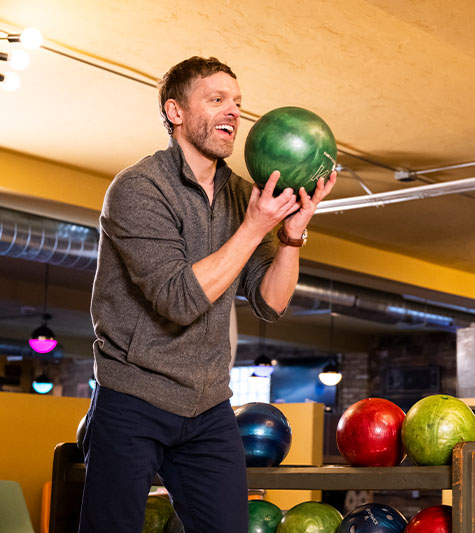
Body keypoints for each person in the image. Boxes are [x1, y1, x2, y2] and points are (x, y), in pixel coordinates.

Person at [79, 56, 336, 532]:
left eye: (238, 102)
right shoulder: (138, 189)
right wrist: (257, 224)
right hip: (134, 396)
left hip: (208, 405)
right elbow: (178, 300)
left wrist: (291, 236)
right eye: (216, 99)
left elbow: (271, 302)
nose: (234, 111)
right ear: (175, 112)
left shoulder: (244, 194)